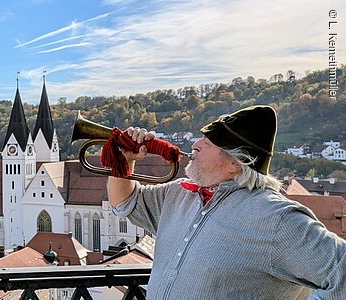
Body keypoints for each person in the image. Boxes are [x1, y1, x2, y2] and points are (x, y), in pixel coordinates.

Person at [107, 105, 346, 300]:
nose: (195, 145)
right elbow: (126, 201)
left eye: (208, 143)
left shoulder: (275, 217)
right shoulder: (179, 194)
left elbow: (342, 271)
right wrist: (124, 162)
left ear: (235, 164)